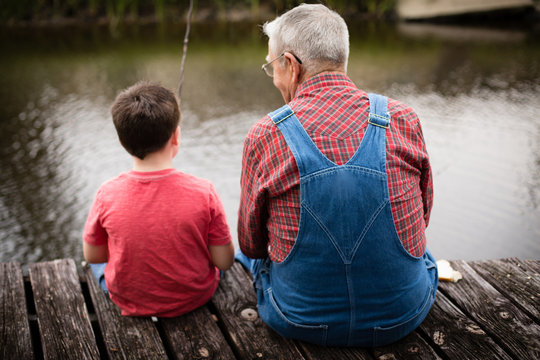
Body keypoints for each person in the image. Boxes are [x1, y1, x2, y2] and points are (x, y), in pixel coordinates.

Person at [236, 4, 438, 347]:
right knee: (426, 256)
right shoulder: (403, 118)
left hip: (298, 320)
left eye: (272, 67)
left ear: (291, 65)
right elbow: (423, 216)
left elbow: (252, 245)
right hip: (403, 316)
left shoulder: (265, 134)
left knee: (246, 256)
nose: (274, 78)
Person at [83, 82, 234, 317]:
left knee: (95, 265)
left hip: (128, 301)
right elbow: (224, 262)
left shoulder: (106, 193)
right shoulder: (204, 191)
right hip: (194, 298)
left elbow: (93, 255)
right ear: (175, 136)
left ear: (123, 142)